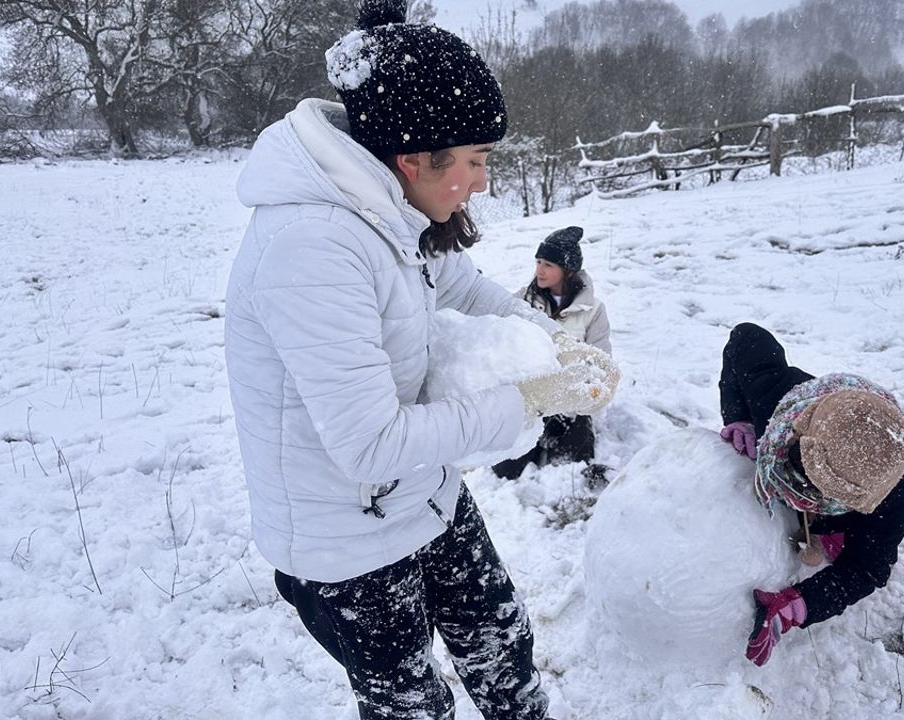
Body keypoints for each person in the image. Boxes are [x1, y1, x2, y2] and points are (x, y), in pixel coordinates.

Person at [223, 2, 617, 718]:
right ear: (412, 159)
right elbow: (369, 445)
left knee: (501, 646)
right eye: (473, 161)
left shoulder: (390, 210)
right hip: (344, 541)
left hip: (426, 496)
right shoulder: (314, 248)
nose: (482, 182)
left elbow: (459, 283)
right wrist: (533, 395)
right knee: (414, 707)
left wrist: (555, 340)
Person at [717, 322, 904, 667]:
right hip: (786, 431)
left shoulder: (896, 493)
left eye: (826, 498)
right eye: (802, 483)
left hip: (856, 521)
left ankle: (835, 529)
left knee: (858, 545)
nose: (806, 496)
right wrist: (741, 419)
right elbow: (745, 337)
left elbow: (866, 568)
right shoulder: (779, 404)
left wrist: (800, 604)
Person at [492, 226, 612, 485]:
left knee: (571, 467)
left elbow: (600, 363)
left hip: (569, 404)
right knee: (506, 471)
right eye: (537, 262)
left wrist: (577, 398)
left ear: (567, 270)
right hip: (530, 401)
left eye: (548, 264)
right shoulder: (522, 300)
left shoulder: (594, 310)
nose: (539, 270)